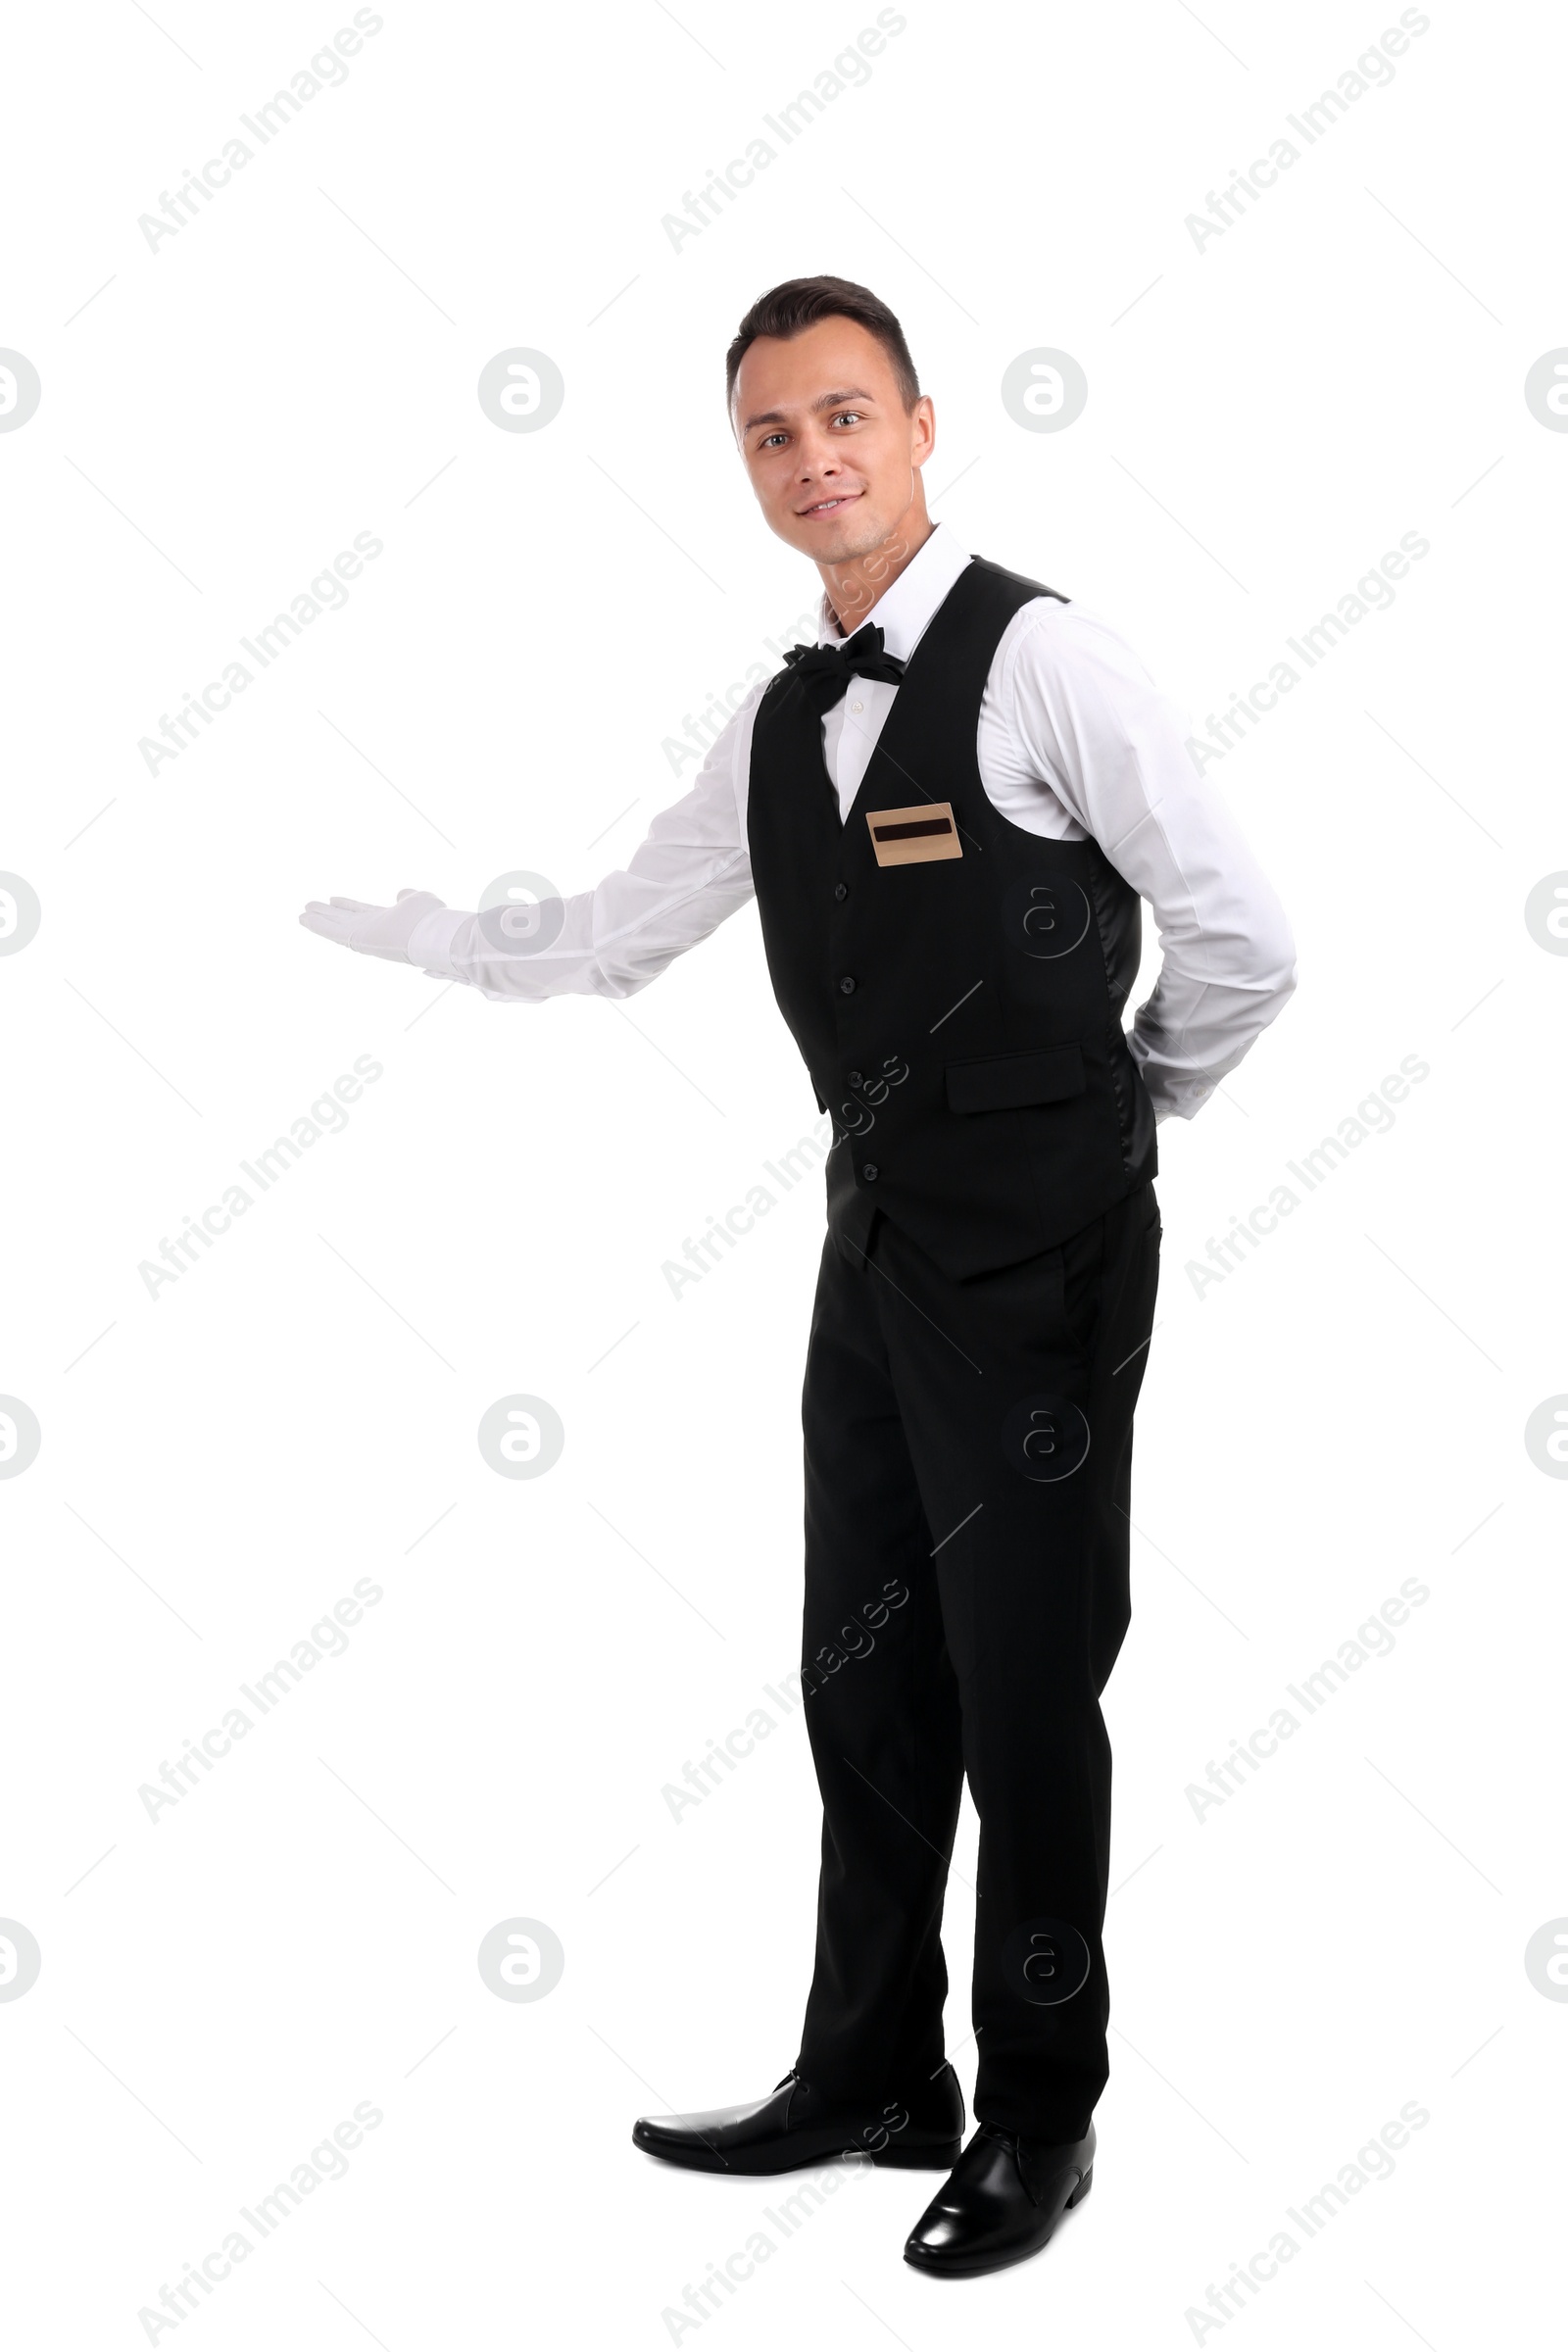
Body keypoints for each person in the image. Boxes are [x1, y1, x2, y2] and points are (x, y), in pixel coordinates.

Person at [302, 275, 1297, 2278]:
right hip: (874, 1252)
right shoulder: (775, 720)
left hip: (1042, 1265)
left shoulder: (1050, 665)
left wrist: (1121, 1120)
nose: (810, 457)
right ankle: (868, 2070)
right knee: (863, 1667)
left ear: (923, 426)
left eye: (843, 414)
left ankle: (1037, 2113)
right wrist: (393, 929)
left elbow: (1241, 935)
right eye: (769, 433)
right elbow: (604, 935)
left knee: (1028, 1696)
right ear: (746, 466)